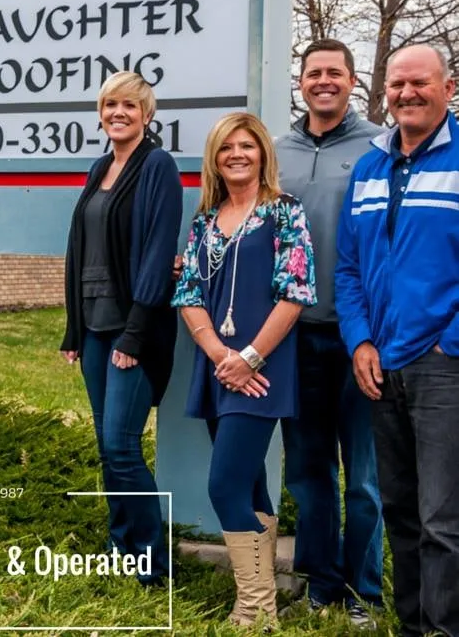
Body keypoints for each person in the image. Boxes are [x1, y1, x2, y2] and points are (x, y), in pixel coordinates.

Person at [172, 112, 316, 627]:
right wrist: (219, 355)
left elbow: (295, 293)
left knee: (224, 486)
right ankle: (257, 601)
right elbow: (188, 292)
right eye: (226, 146)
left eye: (247, 145)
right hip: (218, 368)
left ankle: (256, 608)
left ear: (262, 154)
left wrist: (249, 357)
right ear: (214, 157)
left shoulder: (284, 213)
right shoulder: (204, 220)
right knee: (250, 485)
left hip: (261, 373)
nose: (237, 153)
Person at [336, 44, 459, 637]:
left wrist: (449, 345)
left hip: (444, 364)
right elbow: (349, 269)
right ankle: (412, 626)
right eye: (396, 84)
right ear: (382, 91)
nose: (406, 93)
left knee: (444, 519)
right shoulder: (369, 167)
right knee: (402, 511)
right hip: (380, 364)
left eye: (419, 83)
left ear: (448, 87)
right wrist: (360, 341)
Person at [275, 39, 384, 623]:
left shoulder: (380, 146)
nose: (324, 81)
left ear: (351, 80)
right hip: (293, 336)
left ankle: (365, 594)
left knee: (363, 477)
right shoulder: (275, 150)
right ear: (301, 82)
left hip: (360, 337)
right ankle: (321, 586)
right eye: (314, 72)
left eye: (334, 73)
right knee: (308, 470)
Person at [60, 71, 182, 587]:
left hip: (135, 328)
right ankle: (120, 545)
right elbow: (79, 249)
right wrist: (72, 328)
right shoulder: (98, 167)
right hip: (93, 326)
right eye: (110, 104)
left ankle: (153, 563)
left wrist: (134, 335)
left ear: (146, 115)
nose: (118, 113)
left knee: (121, 445)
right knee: (104, 442)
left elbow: (157, 254)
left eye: (129, 106)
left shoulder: (158, 167)